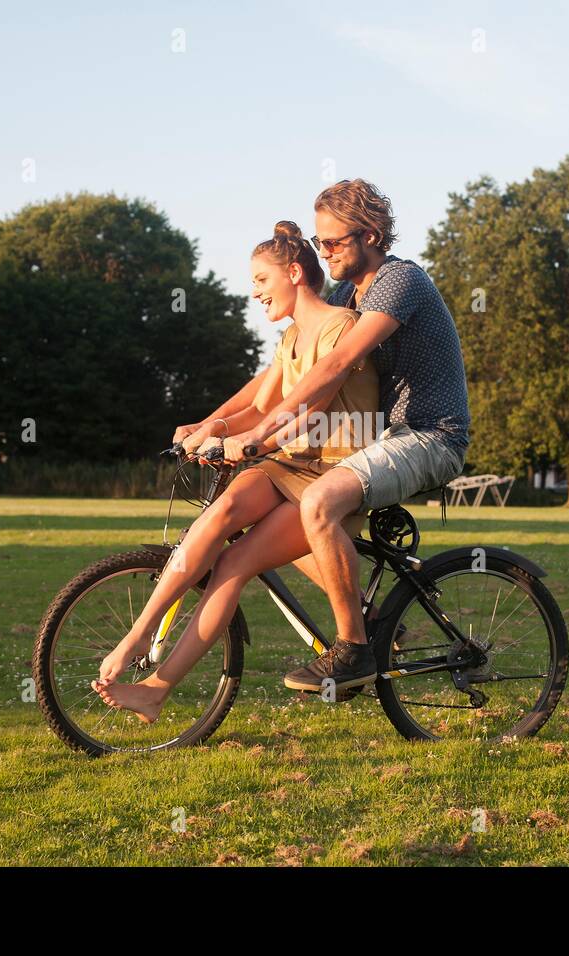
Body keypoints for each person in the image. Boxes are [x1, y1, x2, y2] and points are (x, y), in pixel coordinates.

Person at [91, 221, 378, 720]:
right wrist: (209, 431)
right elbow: (259, 411)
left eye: (261, 281)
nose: (253, 292)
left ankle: (157, 688)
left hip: (333, 473)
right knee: (219, 513)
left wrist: (250, 443)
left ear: (294, 273)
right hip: (288, 461)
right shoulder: (290, 339)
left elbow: (311, 411)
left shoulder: (340, 326)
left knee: (234, 564)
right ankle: (139, 634)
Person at [228, 179, 470, 694]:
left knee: (316, 502)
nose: (325, 253)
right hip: (380, 438)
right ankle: (377, 620)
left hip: (430, 435)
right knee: (281, 521)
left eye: (334, 242)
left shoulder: (399, 281)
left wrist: (267, 431)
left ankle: (354, 651)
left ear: (372, 236)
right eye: (320, 243)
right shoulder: (342, 295)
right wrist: (214, 426)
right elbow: (286, 367)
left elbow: (336, 363)